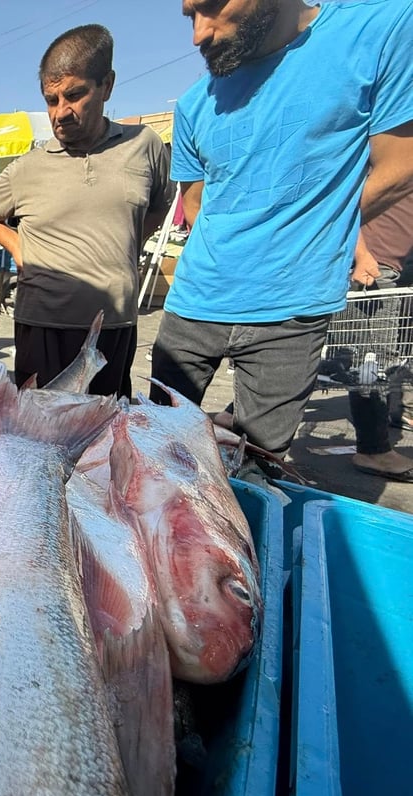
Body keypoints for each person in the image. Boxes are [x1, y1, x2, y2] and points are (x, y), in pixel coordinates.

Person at [149, 0, 413, 457]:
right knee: (156, 453)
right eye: (189, 15)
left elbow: (401, 164)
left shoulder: (378, 30)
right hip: (192, 303)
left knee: (255, 465)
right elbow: (194, 202)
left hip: (288, 311)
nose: (198, 34)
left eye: (211, 7)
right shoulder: (194, 102)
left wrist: (311, 234)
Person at [0, 25, 171, 397]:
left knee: (104, 431)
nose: (60, 112)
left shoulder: (145, 146)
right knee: (40, 432)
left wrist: (126, 245)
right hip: (43, 323)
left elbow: (160, 206)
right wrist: (20, 249)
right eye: (51, 100)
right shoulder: (27, 168)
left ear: (107, 86)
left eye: (74, 95)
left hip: (113, 324)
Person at [347, 190, 413, 481]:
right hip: (374, 264)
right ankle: (373, 449)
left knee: (378, 360)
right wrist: (360, 253)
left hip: (394, 260)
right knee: (369, 364)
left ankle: (399, 412)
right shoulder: (391, 145)